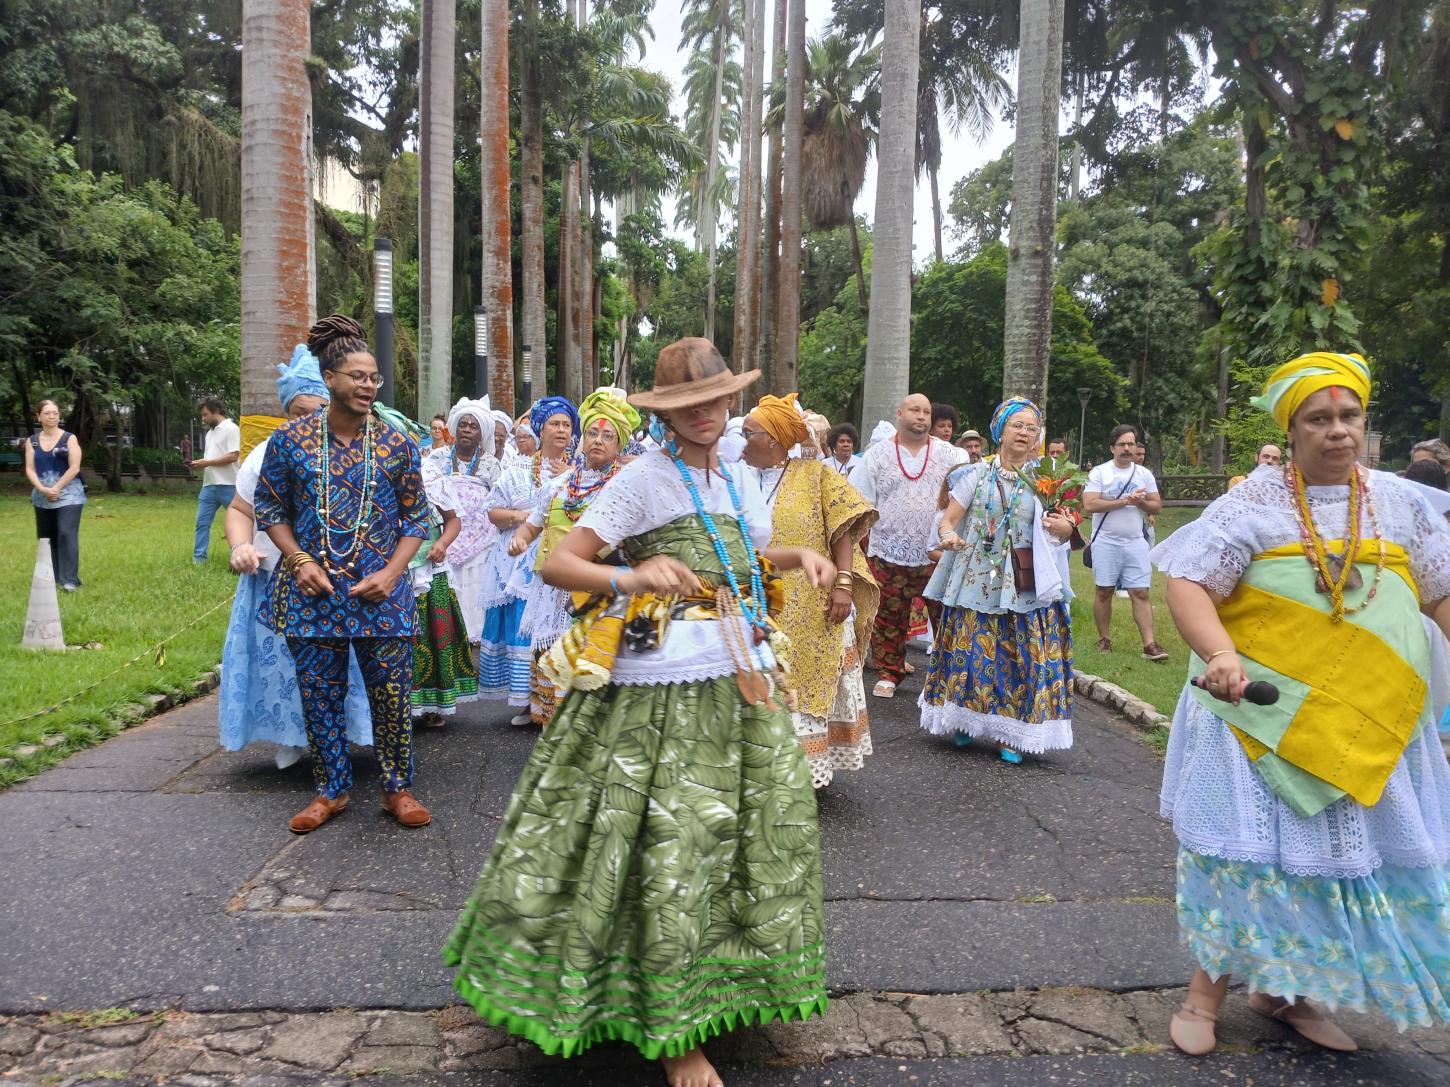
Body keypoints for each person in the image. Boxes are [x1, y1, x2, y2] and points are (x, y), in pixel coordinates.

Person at [444, 338, 834, 1087]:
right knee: (666, 840)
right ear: (664, 412)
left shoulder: (733, 476)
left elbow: (741, 562)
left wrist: (798, 560)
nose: (706, 414)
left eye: (716, 401)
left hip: (734, 678)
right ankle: (672, 1030)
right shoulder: (645, 477)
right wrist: (630, 572)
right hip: (656, 688)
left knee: (737, 835)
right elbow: (559, 562)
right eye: (688, 405)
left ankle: (723, 983)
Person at [1151, 351, 1450, 1054]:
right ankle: (1203, 997)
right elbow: (1189, 583)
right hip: (1262, 712)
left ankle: (1287, 992)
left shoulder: (1404, 501)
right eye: (1320, 418)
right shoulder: (1253, 501)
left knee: (1338, 853)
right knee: (1256, 857)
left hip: (1371, 715)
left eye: (1349, 416)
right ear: (1293, 429)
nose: (1337, 431)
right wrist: (1221, 655)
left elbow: (1438, 595)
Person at [253, 314, 432, 834]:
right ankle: (330, 790)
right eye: (357, 376)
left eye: (373, 377)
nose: (368, 385)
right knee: (319, 694)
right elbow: (269, 508)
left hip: (382, 596)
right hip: (312, 593)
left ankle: (397, 788)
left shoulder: (397, 445)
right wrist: (298, 559)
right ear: (329, 378)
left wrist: (394, 573)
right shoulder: (290, 441)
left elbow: (418, 516)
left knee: (393, 696)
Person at [219, 346, 372, 768]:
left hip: (342, 577)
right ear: (286, 413)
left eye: (316, 409)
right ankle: (291, 737)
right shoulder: (268, 451)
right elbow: (239, 509)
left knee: (345, 665)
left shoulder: (358, 447)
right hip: (275, 579)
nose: (307, 420)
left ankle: (353, 735)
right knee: (284, 666)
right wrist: (241, 546)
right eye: (298, 412)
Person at [921, 398, 1077, 762]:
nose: (1024, 433)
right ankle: (964, 721)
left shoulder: (1047, 480)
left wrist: (1064, 526)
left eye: (1031, 428)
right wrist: (948, 535)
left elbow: (1068, 526)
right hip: (977, 572)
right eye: (1017, 425)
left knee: (1018, 651)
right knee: (971, 647)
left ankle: (1011, 733)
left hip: (1026, 573)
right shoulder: (974, 474)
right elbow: (949, 518)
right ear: (1000, 430)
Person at [743, 393, 880, 788]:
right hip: (751, 597)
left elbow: (842, 531)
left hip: (810, 598)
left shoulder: (815, 474)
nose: (740, 440)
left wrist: (843, 585)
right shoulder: (733, 477)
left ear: (773, 439)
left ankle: (803, 771)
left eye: (749, 432)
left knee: (805, 679)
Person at [509, 389, 637, 725]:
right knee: (551, 649)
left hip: (595, 587)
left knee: (590, 657)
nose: (598, 440)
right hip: (552, 588)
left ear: (619, 444)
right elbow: (533, 525)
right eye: (593, 432)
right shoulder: (559, 485)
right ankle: (553, 725)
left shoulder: (624, 486)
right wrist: (520, 541)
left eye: (608, 435)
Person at [849, 393, 968, 698]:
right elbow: (860, 500)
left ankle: (949, 676)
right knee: (889, 615)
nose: (922, 416)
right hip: (888, 549)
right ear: (899, 414)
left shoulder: (952, 456)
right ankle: (890, 672)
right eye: (915, 410)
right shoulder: (876, 455)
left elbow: (967, 497)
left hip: (939, 551)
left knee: (947, 615)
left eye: (926, 412)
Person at [478, 396, 576, 723]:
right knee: (527, 629)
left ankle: (560, 704)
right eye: (554, 424)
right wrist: (526, 517)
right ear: (540, 429)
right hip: (519, 564)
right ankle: (528, 702)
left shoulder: (583, 469)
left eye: (566, 424)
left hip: (562, 560)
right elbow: (493, 512)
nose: (561, 430)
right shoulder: (518, 469)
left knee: (559, 631)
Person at [1083, 425, 1169, 660]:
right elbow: (1090, 504)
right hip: (1106, 542)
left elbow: (1156, 506)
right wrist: (1124, 501)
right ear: (1112, 448)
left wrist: (1140, 503)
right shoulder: (1100, 473)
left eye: (1131, 443)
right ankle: (1104, 640)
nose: (1127, 448)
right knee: (1104, 591)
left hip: (1135, 542)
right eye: (1122, 444)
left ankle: (1150, 644)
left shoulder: (1144, 474)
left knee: (1140, 592)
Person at [429, 398, 502, 643]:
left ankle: (474, 641)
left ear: (482, 433)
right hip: (445, 538)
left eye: (473, 426)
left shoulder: (491, 464)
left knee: (475, 592)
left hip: (481, 544)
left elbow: (499, 499)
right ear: (455, 428)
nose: (467, 429)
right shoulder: (437, 458)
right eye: (463, 424)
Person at [24, 399, 86, 592]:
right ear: (38, 416)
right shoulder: (32, 441)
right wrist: (42, 489)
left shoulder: (69, 438)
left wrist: (57, 487)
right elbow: (30, 468)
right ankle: (54, 576)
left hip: (69, 495)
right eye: (47, 413)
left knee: (66, 533)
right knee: (47, 537)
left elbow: (75, 467)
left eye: (55, 413)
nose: (52, 417)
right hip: (42, 496)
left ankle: (69, 581)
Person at [191, 397, 241, 563]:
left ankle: (240, 557)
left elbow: (234, 455)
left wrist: (207, 462)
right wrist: (200, 464)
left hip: (229, 485)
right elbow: (212, 457)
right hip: (209, 485)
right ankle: (199, 560)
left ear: (216, 411)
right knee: (201, 523)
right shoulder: (209, 433)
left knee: (239, 524)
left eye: (205, 415)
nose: (203, 418)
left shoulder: (232, 429)